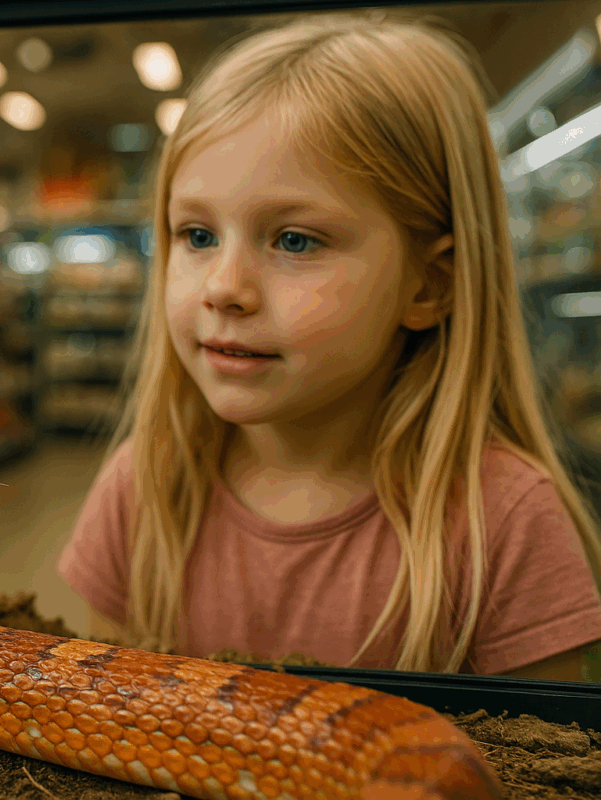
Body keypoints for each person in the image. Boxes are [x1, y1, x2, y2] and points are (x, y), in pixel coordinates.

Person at [56, 10, 601, 678]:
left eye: (294, 240)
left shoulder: (505, 526)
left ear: (429, 283)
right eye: (197, 236)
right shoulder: (144, 487)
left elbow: (539, 771)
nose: (224, 288)